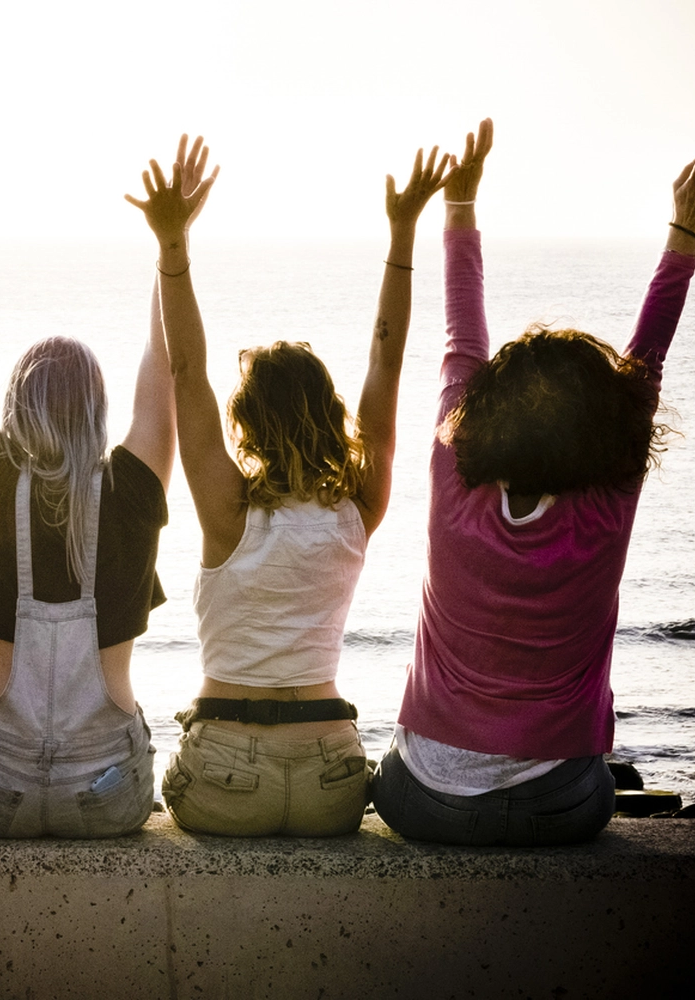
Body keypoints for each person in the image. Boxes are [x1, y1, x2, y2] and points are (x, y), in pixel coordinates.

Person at [370, 120, 695, 846]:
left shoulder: (454, 475)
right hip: (560, 808)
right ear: (606, 424)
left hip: (425, 801)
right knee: (604, 786)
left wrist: (460, 206)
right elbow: (648, 362)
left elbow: (462, 338)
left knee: (389, 773)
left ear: (484, 406)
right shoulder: (608, 504)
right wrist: (682, 234)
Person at [128, 135, 449, 837]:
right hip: (328, 776)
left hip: (223, 776)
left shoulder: (228, 512)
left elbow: (187, 372)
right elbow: (387, 364)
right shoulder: (358, 507)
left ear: (245, 423)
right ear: (333, 415)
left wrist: (173, 246)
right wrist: (402, 234)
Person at [0, 148, 176, 838]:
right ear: (99, 413)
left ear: (15, 409)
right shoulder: (132, 486)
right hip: (106, 790)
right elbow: (168, 366)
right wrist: (171, 248)